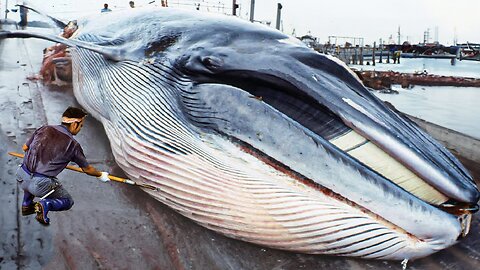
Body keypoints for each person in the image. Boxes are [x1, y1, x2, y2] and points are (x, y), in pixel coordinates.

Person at [16, 107, 110, 226]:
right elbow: (87, 169)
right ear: (75, 124)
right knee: (67, 201)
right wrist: (101, 175)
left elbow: (25, 148)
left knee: (30, 177)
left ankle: (27, 205)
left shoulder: (44, 128)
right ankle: (46, 205)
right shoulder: (73, 145)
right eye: (81, 126)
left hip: (21, 175)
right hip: (39, 184)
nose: (80, 129)